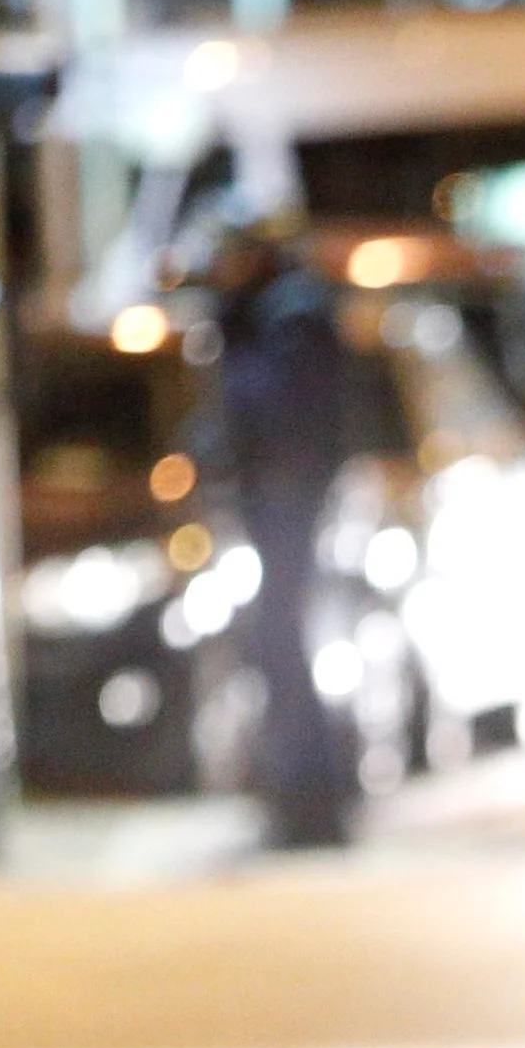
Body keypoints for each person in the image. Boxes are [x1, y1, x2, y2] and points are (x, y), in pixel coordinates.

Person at [201, 214, 372, 849]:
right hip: (280, 497)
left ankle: (309, 797)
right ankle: (303, 794)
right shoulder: (280, 314)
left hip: (288, 497)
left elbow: (265, 407)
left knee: (282, 641)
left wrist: (231, 327)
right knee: (277, 643)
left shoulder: (286, 318)